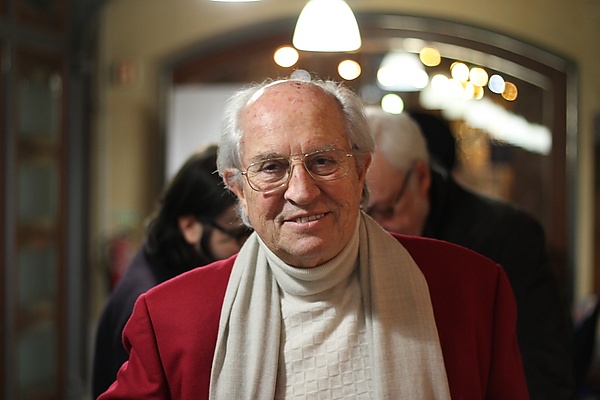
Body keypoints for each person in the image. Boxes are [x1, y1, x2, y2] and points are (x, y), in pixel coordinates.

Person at [98, 74, 529, 399]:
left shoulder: (472, 290)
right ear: (238, 189)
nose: (302, 192)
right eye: (271, 168)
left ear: (361, 171)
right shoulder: (169, 318)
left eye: (323, 161)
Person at [364, 107, 573, 399]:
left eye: (385, 211)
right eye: (361, 216)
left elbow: (543, 370)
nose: (373, 230)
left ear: (421, 177)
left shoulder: (506, 235)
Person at [92, 145, 251, 398]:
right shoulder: (152, 298)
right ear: (189, 226)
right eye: (240, 234)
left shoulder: (159, 256)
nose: (249, 247)